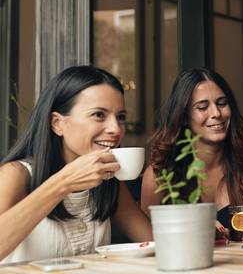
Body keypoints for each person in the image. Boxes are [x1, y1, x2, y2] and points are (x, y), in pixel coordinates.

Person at [0, 66, 152, 264]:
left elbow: (152, 242)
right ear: (57, 123)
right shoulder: (15, 174)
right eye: (99, 114)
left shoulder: (108, 180)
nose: (115, 129)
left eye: (121, 117)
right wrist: (64, 182)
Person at [140, 68, 243, 238]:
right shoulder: (158, 175)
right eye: (203, 107)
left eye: (221, 103)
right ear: (183, 116)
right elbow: (149, 244)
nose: (216, 113)